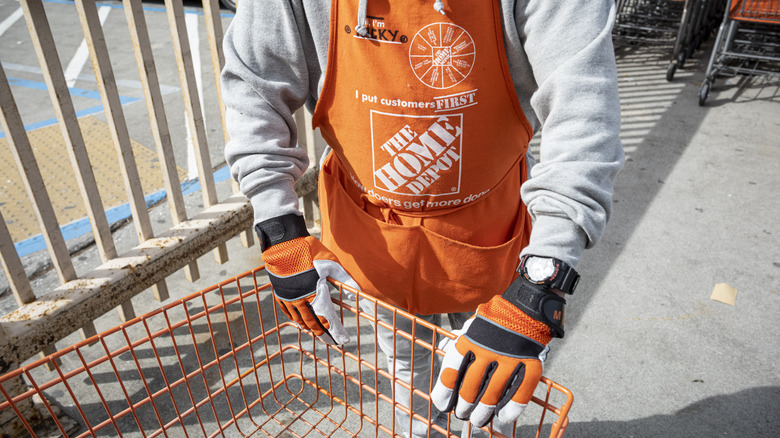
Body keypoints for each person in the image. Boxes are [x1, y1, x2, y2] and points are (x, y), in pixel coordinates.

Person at [222, 0, 623, 436]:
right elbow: (255, 85)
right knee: (408, 378)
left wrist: (539, 287)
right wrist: (277, 225)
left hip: (489, 239)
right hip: (372, 239)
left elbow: (583, 114)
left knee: (485, 393)